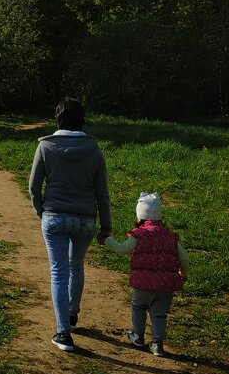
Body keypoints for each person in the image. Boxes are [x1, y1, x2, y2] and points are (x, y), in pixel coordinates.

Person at [29, 97, 112, 352]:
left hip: (54, 216)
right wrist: (106, 227)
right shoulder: (94, 149)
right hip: (85, 219)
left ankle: (63, 332)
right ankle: (73, 314)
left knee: (58, 272)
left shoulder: (45, 146)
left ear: (58, 118)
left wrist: (42, 212)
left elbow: (34, 187)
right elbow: (102, 193)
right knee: (76, 266)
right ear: (82, 119)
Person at [100, 192, 189, 356]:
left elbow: (122, 249)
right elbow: (184, 257)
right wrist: (183, 273)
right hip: (166, 286)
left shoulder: (139, 235)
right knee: (160, 314)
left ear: (139, 217)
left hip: (143, 284)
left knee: (138, 307)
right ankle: (157, 344)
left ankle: (138, 336)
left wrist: (106, 240)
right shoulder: (170, 236)